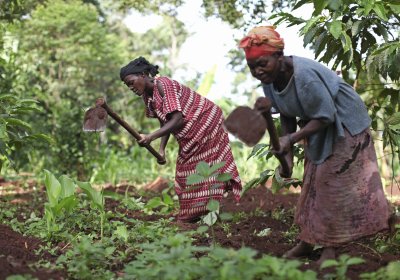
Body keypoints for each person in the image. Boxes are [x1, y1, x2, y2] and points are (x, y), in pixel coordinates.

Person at [239, 26, 391, 264]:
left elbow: (326, 115)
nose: (258, 71)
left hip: (345, 122)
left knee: (329, 184)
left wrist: (291, 139)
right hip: (319, 124)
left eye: (262, 64)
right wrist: (286, 155)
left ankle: (331, 247)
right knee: (312, 181)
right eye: (252, 67)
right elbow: (286, 115)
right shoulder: (270, 81)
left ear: (279, 57)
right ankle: (308, 241)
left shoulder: (304, 76)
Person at [119, 57, 242, 222]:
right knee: (185, 174)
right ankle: (199, 214)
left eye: (132, 82)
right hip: (189, 134)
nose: (131, 87)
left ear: (142, 74)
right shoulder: (148, 97)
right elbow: (165, 120)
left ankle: (199, 215)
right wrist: (161, 150)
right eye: (128, 85)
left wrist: (150, 137)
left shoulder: (163, 84)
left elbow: (177, 119)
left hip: (206, 122)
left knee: (204, 169)